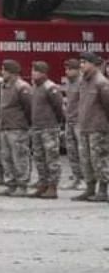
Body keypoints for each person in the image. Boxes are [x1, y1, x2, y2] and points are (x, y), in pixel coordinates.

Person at [73, 51, 109, 202]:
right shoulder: (83, 81)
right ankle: (90, 189)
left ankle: (103, 190)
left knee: (99, 159)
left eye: (85, 62)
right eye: (80, 62)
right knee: (86, 160)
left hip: (98, 128)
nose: (81, 65)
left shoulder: (101, 82)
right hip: (85, 126)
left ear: (93, 64)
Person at [0, 60, 32, 197]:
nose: (2, 72)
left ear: (12, 72)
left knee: (19, 157)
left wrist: (24, 122)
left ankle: (22, 185)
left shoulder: (22, 87)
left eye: (4, 70)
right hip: (5, 126)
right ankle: (11, 184)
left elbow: (28, 107)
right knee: (6, 157)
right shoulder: (3, 86)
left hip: (17, 127)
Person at [29, 61, 64, 199]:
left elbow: (58, 107)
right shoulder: (35, 87)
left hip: (49, 128)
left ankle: (52, 187)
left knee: (51, 158)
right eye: (33, 70)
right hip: (37, 127)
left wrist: (56, 123)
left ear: (43, 73)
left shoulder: (50, 87)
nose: (33, 73)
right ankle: (42, 184)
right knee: (39, 158)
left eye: (36, 71)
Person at [62, 58, 83, 190]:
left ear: (78, 70)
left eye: (70, 69)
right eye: (66, 69)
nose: (67, 71)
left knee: (82, 152)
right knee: (71, 151)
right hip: (69, 121)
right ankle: (76, 178)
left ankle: (86, 180)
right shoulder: (69, 83)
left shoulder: (83, 83)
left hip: (80, 122)